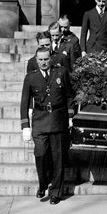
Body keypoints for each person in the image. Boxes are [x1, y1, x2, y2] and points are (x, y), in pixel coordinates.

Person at [20, 47, 75, 205]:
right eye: (40, 60)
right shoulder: (31, 77)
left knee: (58, 158)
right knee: (41, 153)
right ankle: (43, 183)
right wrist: (25, 125)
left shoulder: (61, 73)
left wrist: (70, 116)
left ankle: (56, 192)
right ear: (36, 61)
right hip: (40, 120)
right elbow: (24, 102)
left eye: (46, 59)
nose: (44, 62)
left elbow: (69, 95)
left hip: (58, 119)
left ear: (51, 59)